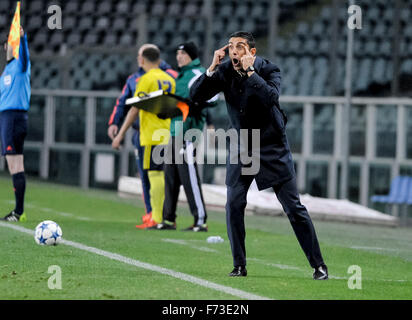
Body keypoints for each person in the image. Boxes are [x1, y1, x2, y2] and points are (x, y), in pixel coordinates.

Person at [190, 31, 328, 280]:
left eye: (240, 47)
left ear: (251, 52)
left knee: (293, 208)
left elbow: (271, 97)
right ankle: (239, 265)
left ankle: (318, 265)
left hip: (272, 146)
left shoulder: (269, 70)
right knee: (233, 204)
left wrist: (251, 73)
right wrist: (211, 68)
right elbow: (196, 96)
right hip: (243, 145)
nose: (234, 51)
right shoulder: (224, 71)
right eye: (231, 46)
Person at [108, 44, 177, 228]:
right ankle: (163, 216)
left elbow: (134, 109)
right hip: (166, 132)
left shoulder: (145, 80)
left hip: (150, 135)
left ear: (143, 60)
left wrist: (119, 135)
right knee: (162, 176)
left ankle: (156, 217)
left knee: (153, 176)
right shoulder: (169, 79)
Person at [154, 42, 217, 232]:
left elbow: (213, 97)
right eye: (177, 53)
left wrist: (196, 102)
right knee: (170, 175)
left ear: (190, 55)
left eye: (181, 53)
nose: (178, 57)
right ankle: (168, 219)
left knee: (189, 176)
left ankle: (200, 220)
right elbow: (181, 104)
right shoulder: (182, 76)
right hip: (175, 131)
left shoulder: (197, 74)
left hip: (189, 132)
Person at [1, 26, 30, 222]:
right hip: (8, 118)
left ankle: (18, 211)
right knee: (16, 164)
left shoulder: (20, 64)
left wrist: (23, 39)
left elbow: (26, 59)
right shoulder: (6, 71)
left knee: (14, 164)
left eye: (14, 44)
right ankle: (19, 211)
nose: (10, 46)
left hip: (13, 118)